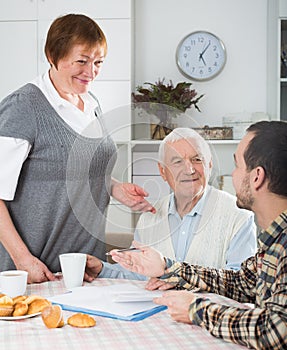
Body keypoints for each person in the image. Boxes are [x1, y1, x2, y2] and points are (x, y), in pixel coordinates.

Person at [0, 14, 155, 283]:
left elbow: (75, 169)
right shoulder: (22, 107)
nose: (91, 71)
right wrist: (23, 260)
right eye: (81, 61)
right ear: (52, 55)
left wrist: (115, 188)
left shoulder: (90, 101)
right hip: (36, 269)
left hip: (85, 264)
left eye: (98, 62)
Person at [111, 121, 287, 349]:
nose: (232, 176)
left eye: (237, 166)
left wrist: (197, 310)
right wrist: (167, 267)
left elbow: (277, 330)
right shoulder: (274, 241)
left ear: (256, 177)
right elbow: (243, 282)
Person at [84, 127, 257, 281]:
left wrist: (177, 279)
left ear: (209, 164)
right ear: (163, 172)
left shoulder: (239, 216)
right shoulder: (149, 216)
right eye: (177, 162)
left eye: (197, 159)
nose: (189, 169)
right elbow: (137, 271)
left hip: (206, 316)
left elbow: (241, 284)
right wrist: (101, 269)